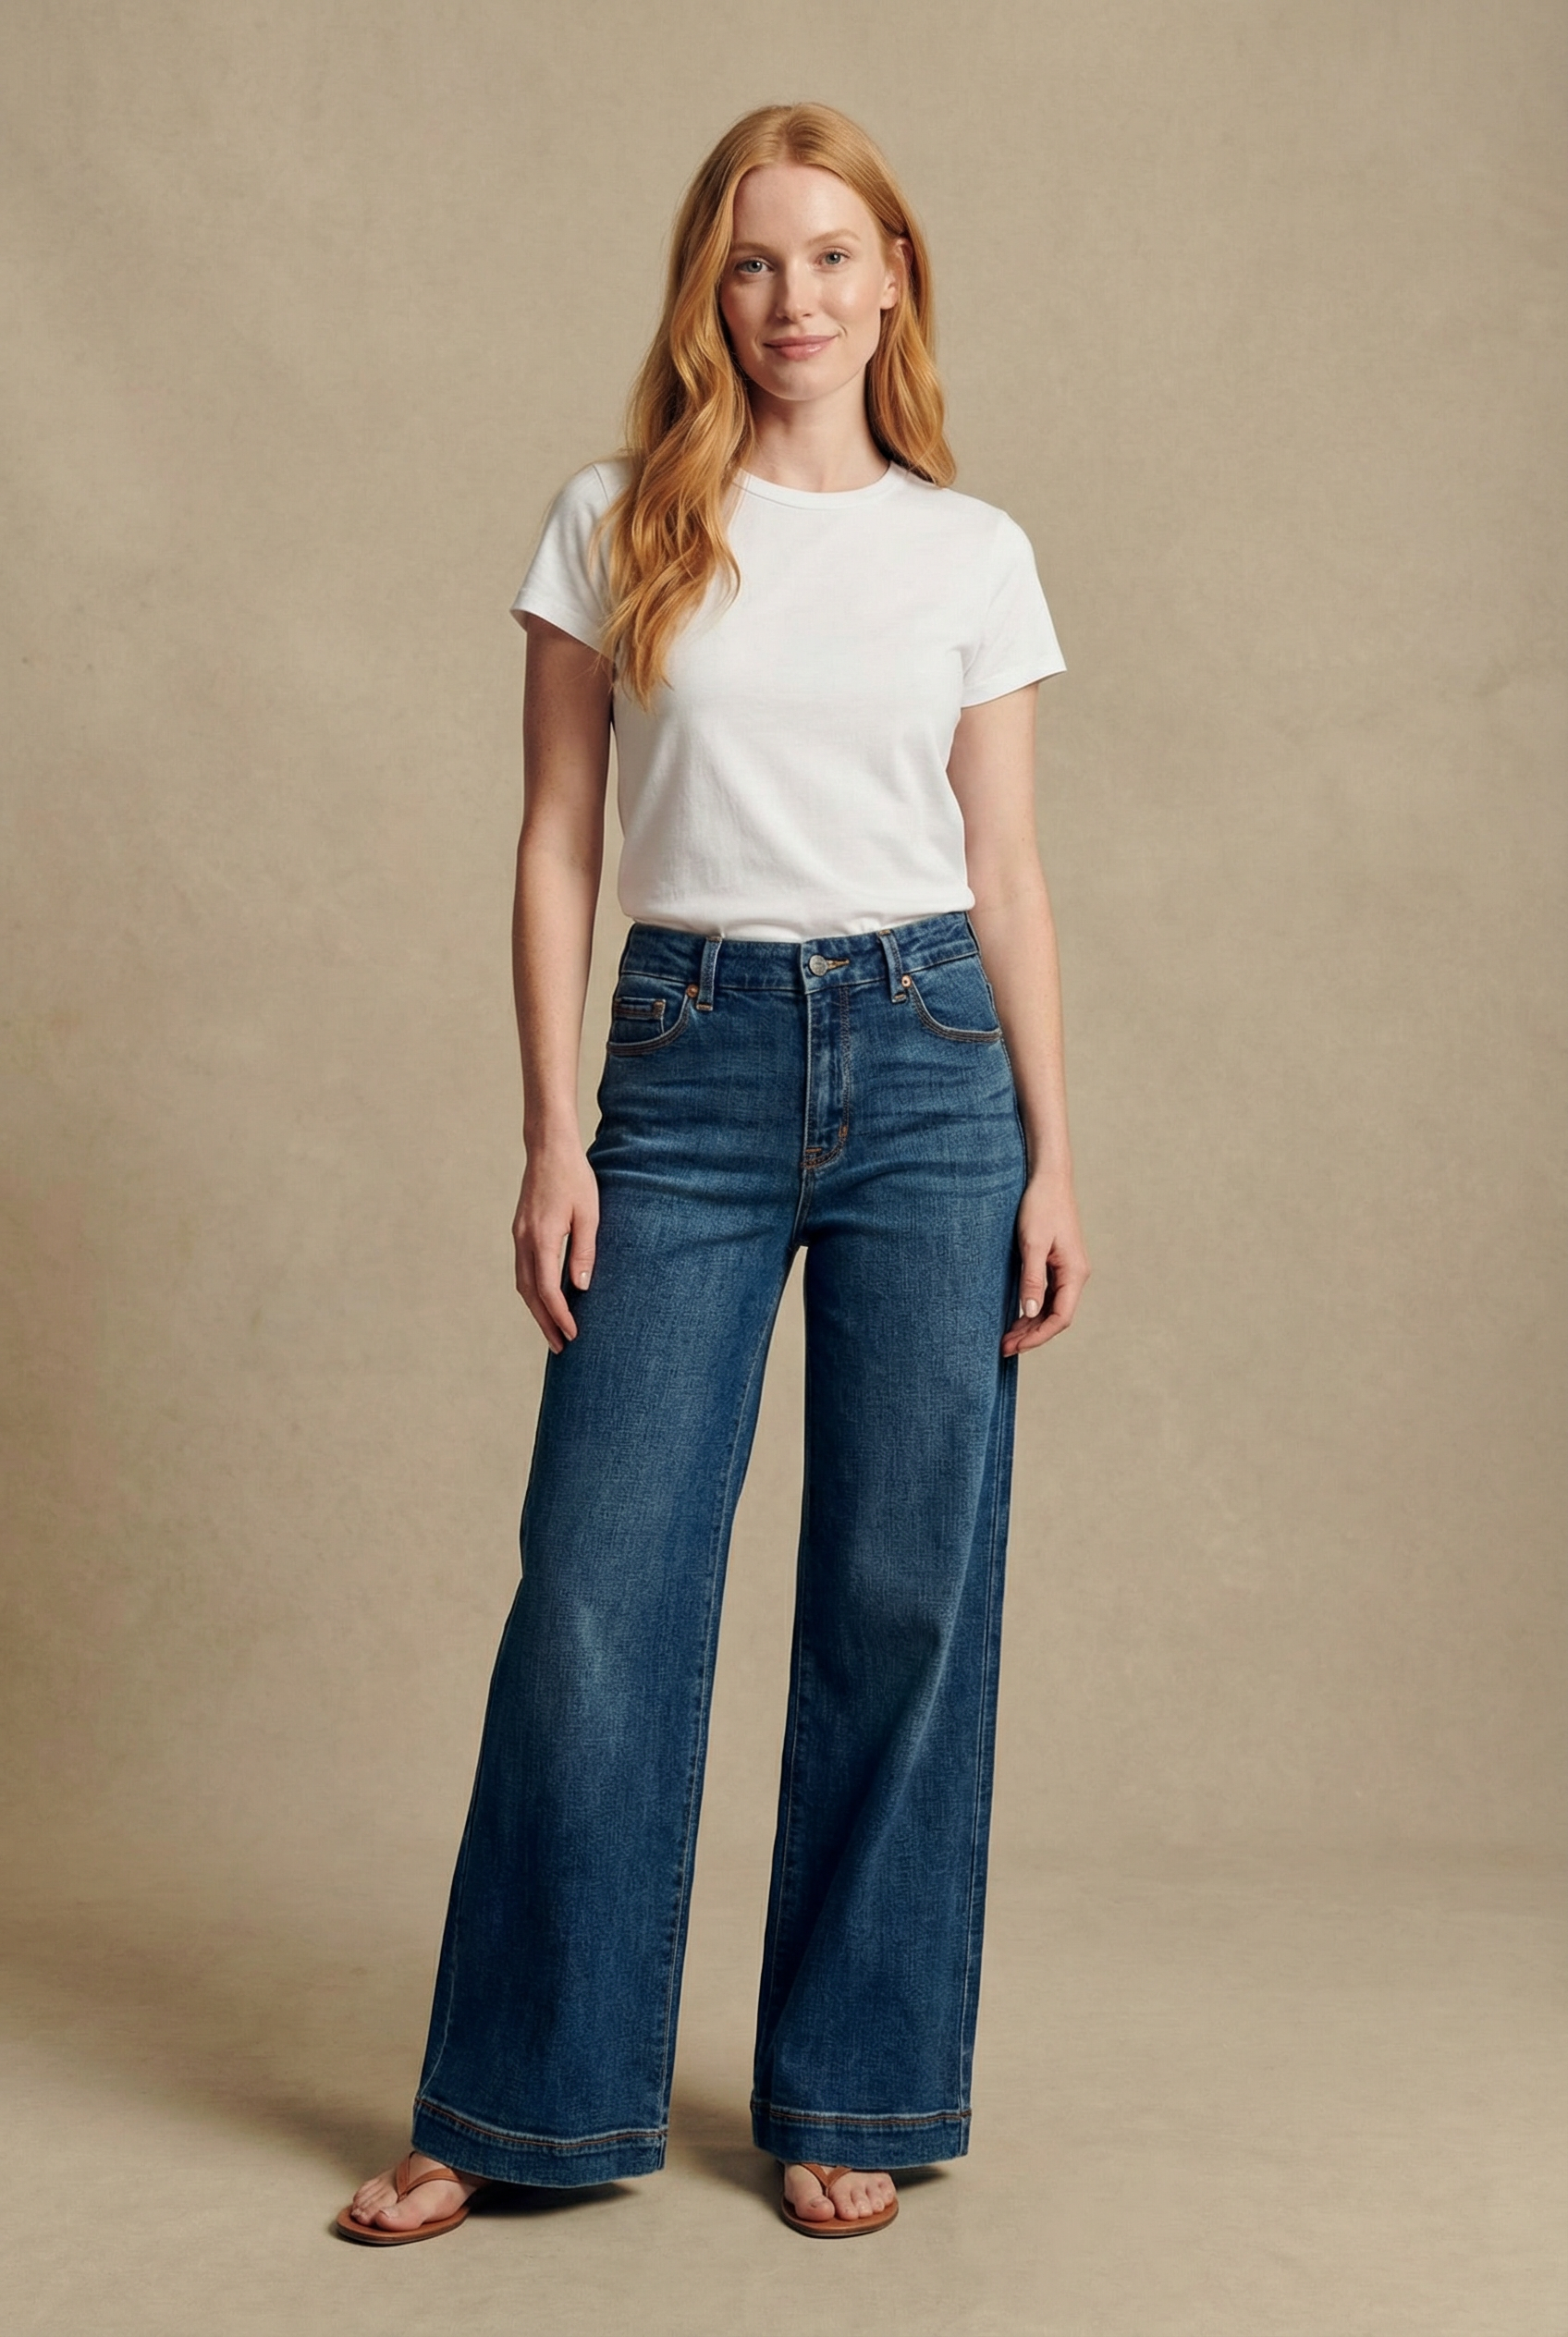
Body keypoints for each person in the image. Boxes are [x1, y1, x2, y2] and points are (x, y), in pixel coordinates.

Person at [337, 97, 1088, 2247]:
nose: (793, 302)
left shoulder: (973, 551)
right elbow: (559, 840)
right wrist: (546, 1123)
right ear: (709, 289)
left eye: (833, 258)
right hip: (679, 1066)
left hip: (936, 1065)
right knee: (595, 1593)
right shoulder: (613, 520)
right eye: (755, 263)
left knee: (897, 1594)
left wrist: (1052, 1153)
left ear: (893, 283)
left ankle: (852, 2079)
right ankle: (520, 2095)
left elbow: (1010, 874)